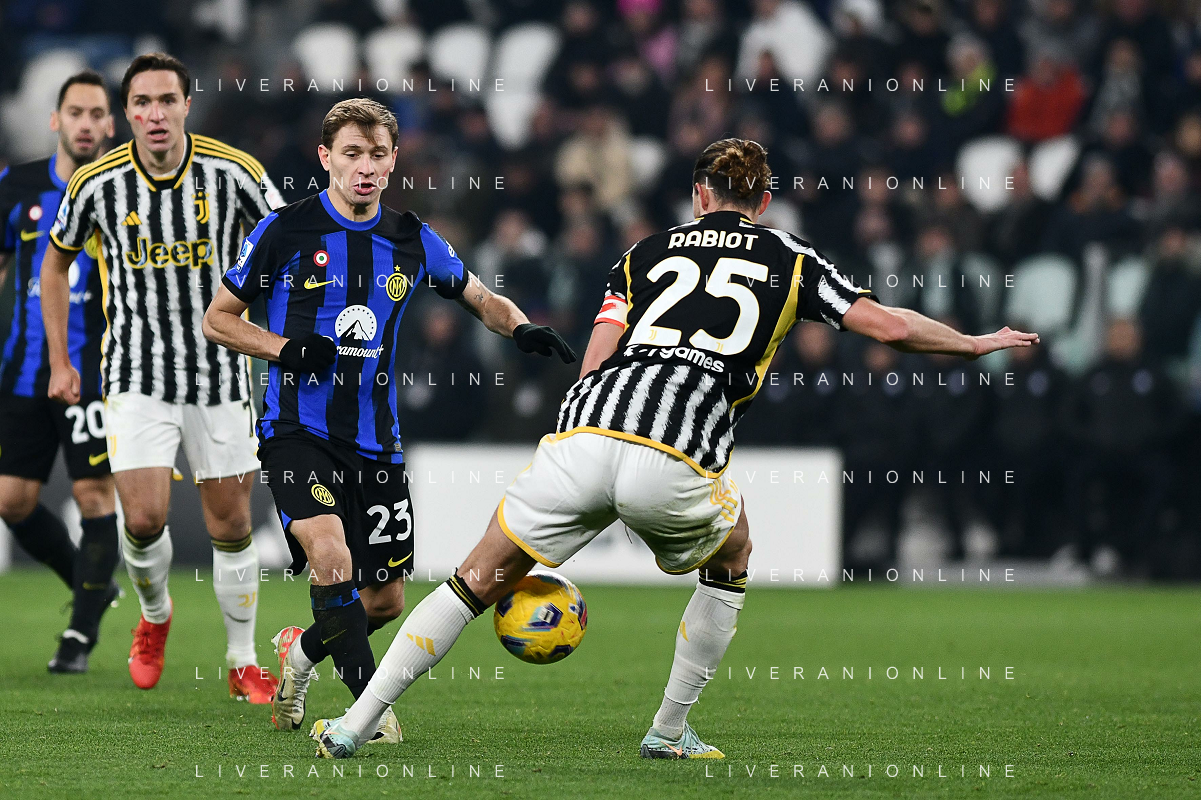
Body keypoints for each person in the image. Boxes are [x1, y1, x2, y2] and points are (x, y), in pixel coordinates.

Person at [311, 138, 1039, 760]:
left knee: (473, 580)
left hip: (586, 432)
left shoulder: (645, 252)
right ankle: (667, 730)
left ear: (699, 196)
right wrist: (973, 342)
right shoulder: (790, 256)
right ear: (763, 202)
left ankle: (353, 725)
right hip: (678, 450)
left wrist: (581, 426)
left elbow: (598, 350)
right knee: (733, 552)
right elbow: (889, 327)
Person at [202, 98, 575, 738]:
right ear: (326, 157)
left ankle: (301, 655)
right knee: (331, 556)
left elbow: (479, 297)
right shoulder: (284, 230)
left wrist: (521, 328)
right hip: (296, 431)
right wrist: (286, 349)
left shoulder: (411, 237)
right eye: (352, 153)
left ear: (394, 160)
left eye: (377, 155)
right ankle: (366, 714)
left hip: (377, 443)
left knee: (384, 602)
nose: (365, 167)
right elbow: (218, 320)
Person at [41, 53, 284, 701]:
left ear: (186, 106)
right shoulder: (96, 184)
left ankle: (242, 660)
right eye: (142, 103)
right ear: (126, 113)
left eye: (167, 100)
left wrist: (281, 344)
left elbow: (287, 242)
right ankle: (154, 618)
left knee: (230, 524)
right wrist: (61, 360)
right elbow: (54, 265)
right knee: (144, 518)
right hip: (135, 375)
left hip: (220, 374)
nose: (155, 114)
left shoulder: (234, 172)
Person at [0, 70, 120, 673]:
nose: (85, 124)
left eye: (97, 114)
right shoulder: (16, 185)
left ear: (110, 124)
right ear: (56, 120)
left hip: (94, 373)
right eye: (75, 112)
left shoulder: (122, 191)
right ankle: (90, 581)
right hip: (22, 370)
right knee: (11, 500)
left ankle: (79, 636)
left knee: (93, 494)